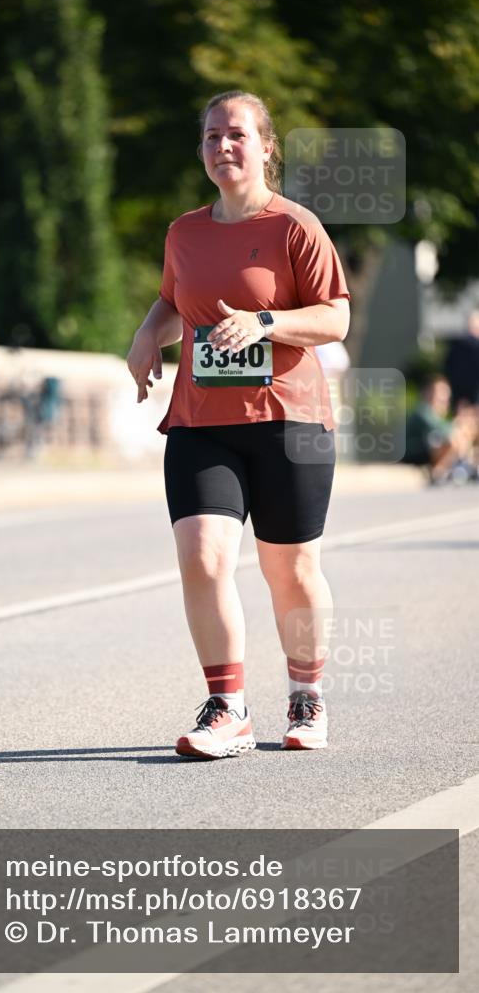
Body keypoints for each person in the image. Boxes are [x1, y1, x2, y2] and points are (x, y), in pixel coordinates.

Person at [127, 89, 350, 758]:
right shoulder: (184, 233)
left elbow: (335, 316)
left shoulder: (295, 227)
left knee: (291, 571)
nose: (221, 146)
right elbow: (173, 302)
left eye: (236, 135)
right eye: (210, 136)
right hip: (202, 421)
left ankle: (306, 695)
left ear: (265, 147)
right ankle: (228, 708)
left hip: (289, 421)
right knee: (202, 556)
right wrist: (146, 336)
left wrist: (264, 322)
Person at [403, 375, 478, 484]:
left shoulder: (435, 415)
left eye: (446, 396)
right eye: (439, 394)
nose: (444, 400)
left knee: (463, 434)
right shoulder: (422, 411)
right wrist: (460, 422)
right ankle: (439, 473)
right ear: (428, 393)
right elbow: (446, 431)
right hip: (412, 453)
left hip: (425, 450)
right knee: (454, 439)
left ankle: (464, 466)